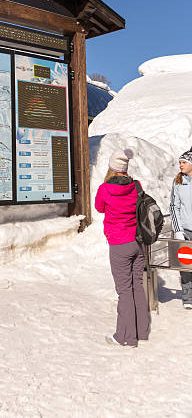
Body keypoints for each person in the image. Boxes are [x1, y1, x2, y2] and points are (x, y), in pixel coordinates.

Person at [95, 149, 149, 348]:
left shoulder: (104, 189)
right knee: (137, 286)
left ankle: (125, 336)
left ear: (111, 168)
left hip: (119, 244)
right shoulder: (136, 185)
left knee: (124, 291)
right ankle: (141, 331)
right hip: (138, 242)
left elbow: (99, 208)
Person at [169, 146, 192, 309]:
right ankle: (188, 298)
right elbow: (173, 206)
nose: (181, 165)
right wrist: (178, 230)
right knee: (186, 265)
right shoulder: (178, 181)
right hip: (186, 229)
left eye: (184, 162)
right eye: (179, 162)